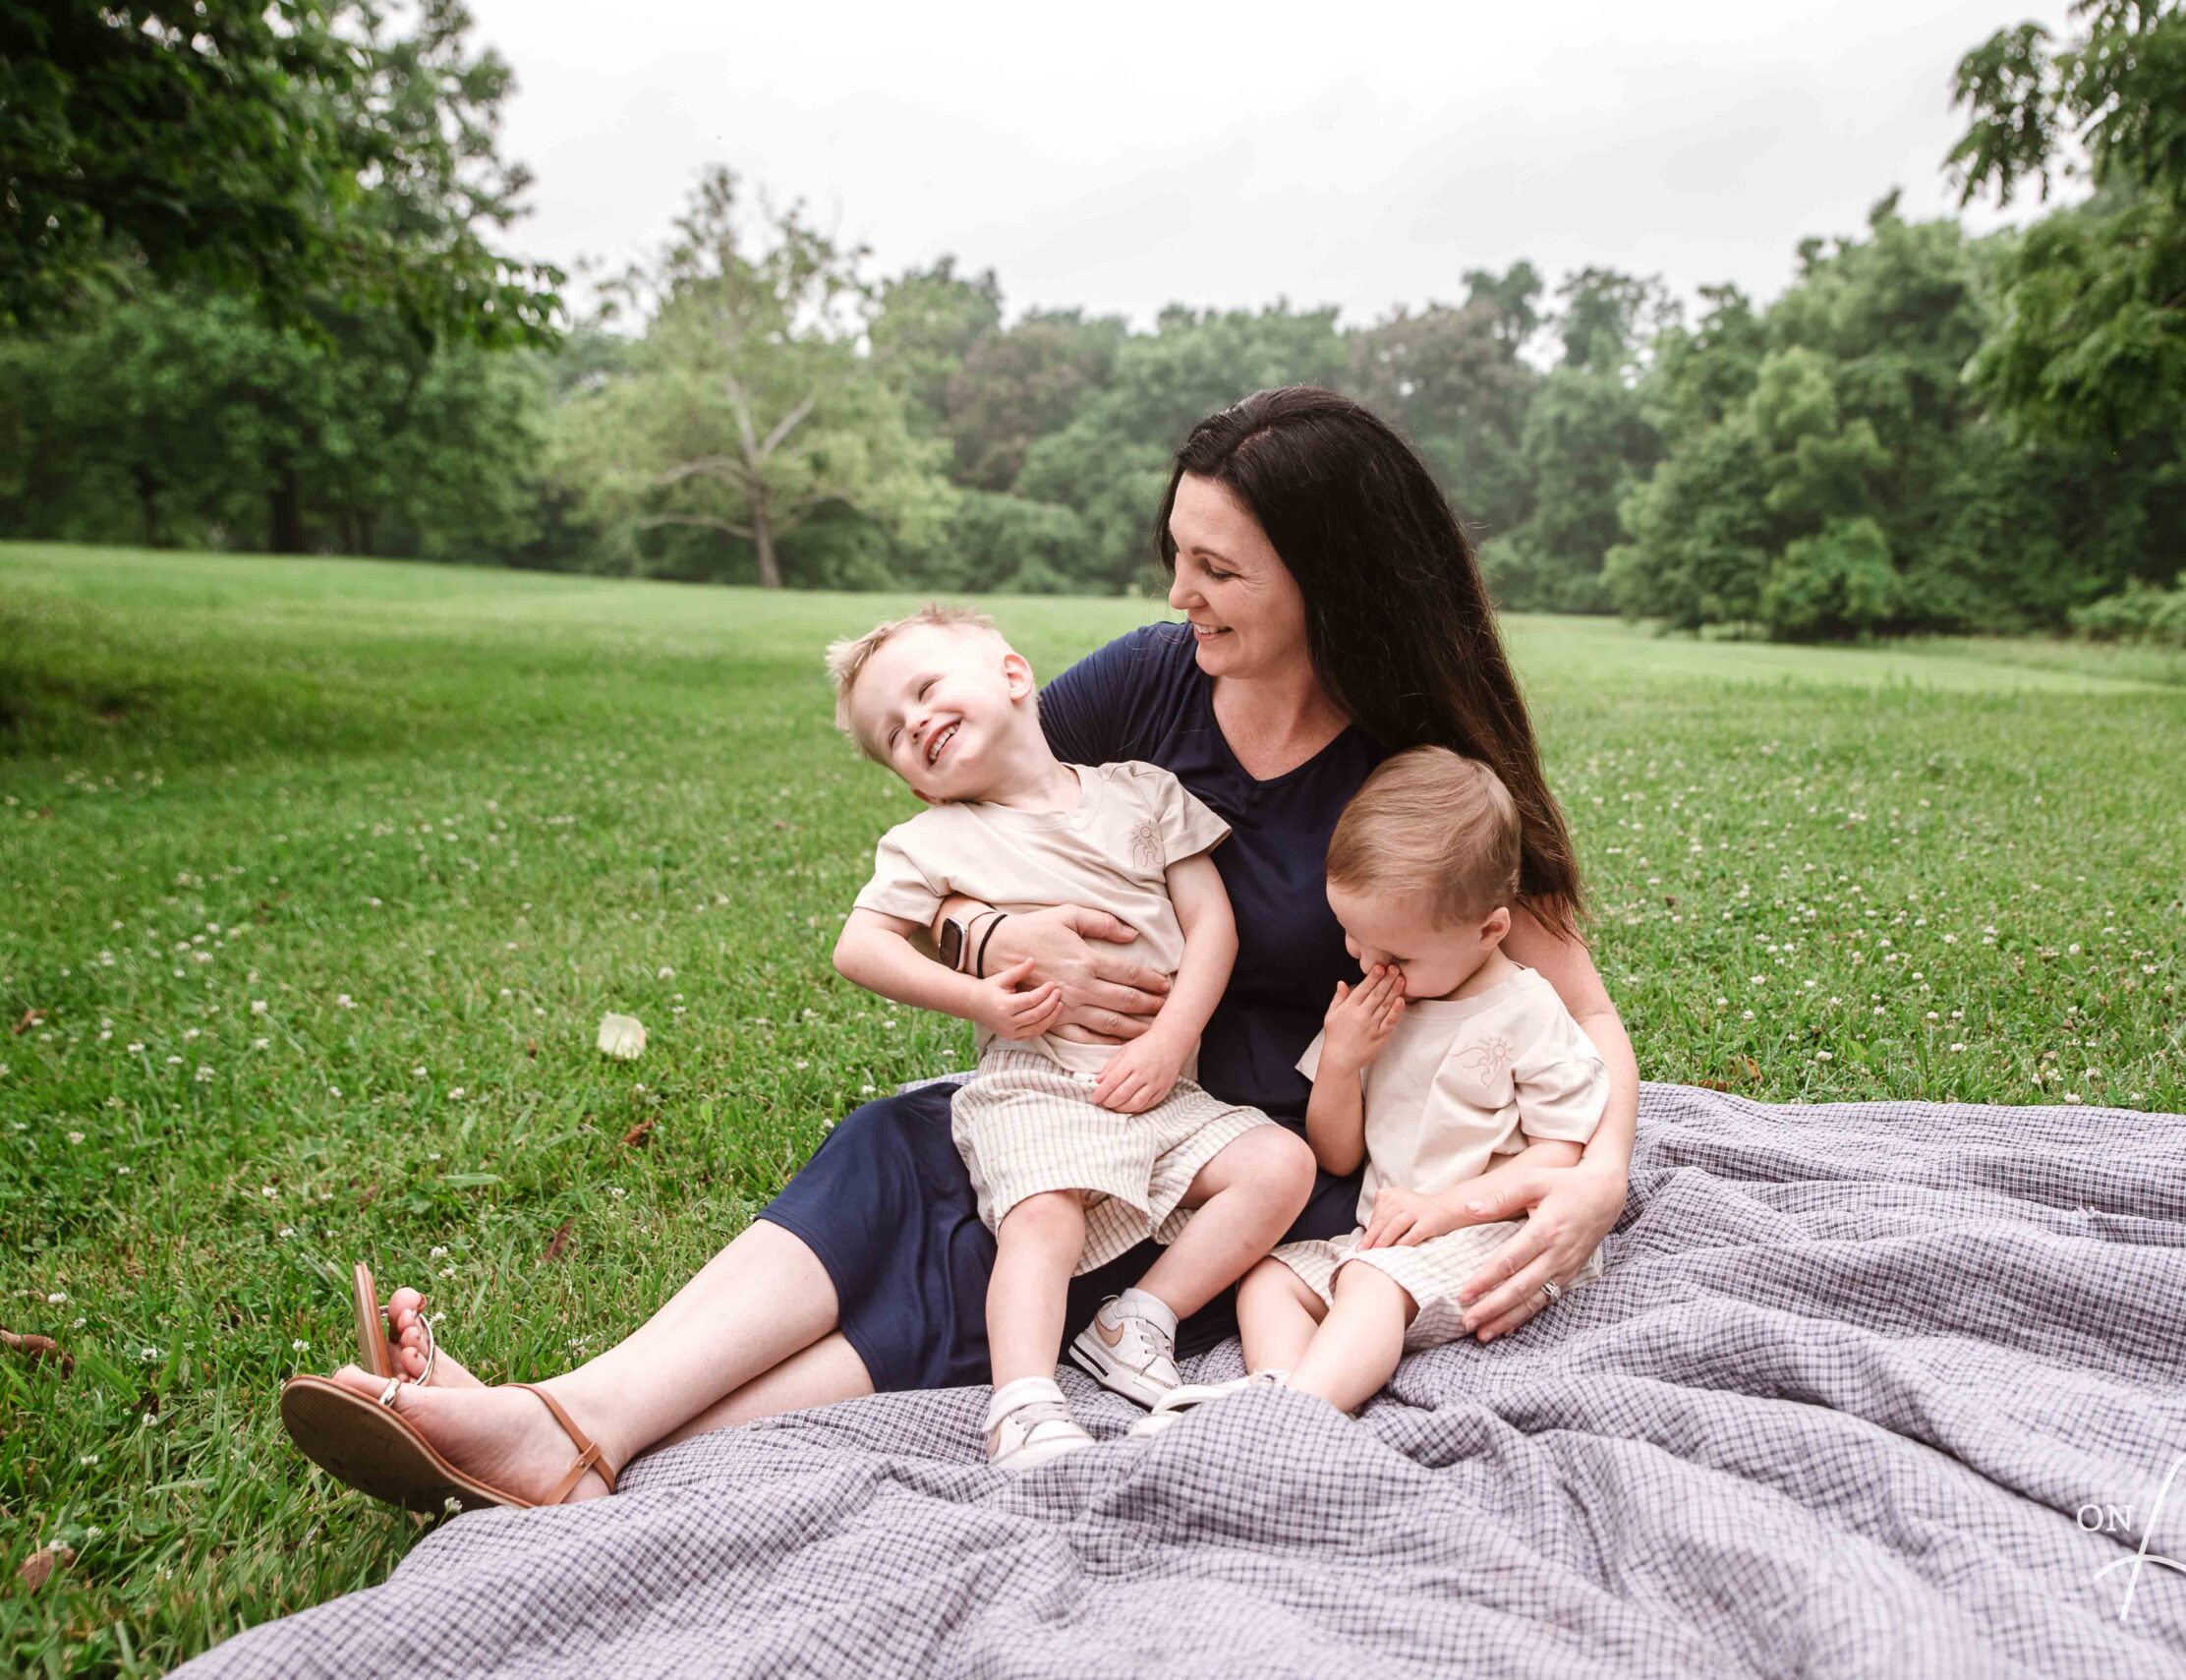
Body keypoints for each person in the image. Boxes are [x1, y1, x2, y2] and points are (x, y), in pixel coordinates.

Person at [278, 386, 1637, 1513]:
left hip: (1251, 1158)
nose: (1181, 591)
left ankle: (569, 1436)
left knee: (985, 1253)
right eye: (1178, 553)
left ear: (1327, 577)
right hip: (1082, 1082)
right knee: (898, 1148)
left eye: (1219, 570)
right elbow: (967, 831)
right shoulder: (1153, 679)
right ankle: (569, 1421)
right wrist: (995, 931)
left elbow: (1579, 1006)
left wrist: (1596, 1175)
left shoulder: (1418, 772)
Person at [825, 605, 1316, 1469]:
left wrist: (1170, 1039)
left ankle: (1139, 1318)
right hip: (1039, 1085)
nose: (917, 722)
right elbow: (858, 947)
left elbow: (1213, 926)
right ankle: (1021, 1404)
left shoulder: (1143, 792)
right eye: (894, 733)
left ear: (1014, 676)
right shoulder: (934, 840)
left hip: (1161, 1087)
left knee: (1281, 1164)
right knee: (1042, 1215)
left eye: (927, 689)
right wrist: (978, 998)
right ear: (915, 784)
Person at [1141, 748, 1608, 1427]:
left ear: (1489, 930)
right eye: (1352, 938)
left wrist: (1446, 1208)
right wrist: (1340, 1063)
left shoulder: (1526, 1011)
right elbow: (1338, 1155)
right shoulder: (1376, 1009)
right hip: (1393, 1239)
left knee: (1368, 1282)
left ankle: (1298, 1416)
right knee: (1270, 1278)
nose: (1366, 963)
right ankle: (1280, 1385)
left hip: (1493, 1234)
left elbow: (1561, 1152)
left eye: (1394, 955)